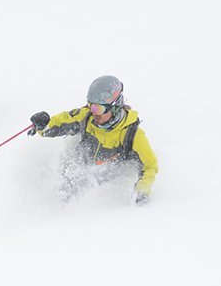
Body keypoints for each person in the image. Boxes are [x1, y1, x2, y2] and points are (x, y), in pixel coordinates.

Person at [28, 75, 158, 205]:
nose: (94, 112)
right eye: (91, 106)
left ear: (115, 107)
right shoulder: (86, 117)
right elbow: (60, 123)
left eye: (98, 108)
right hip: (74, 174)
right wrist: (44, 126)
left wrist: (141, 192)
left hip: (101, 184)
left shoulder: (132, 135)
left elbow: (150, 166)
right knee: (61, 198)